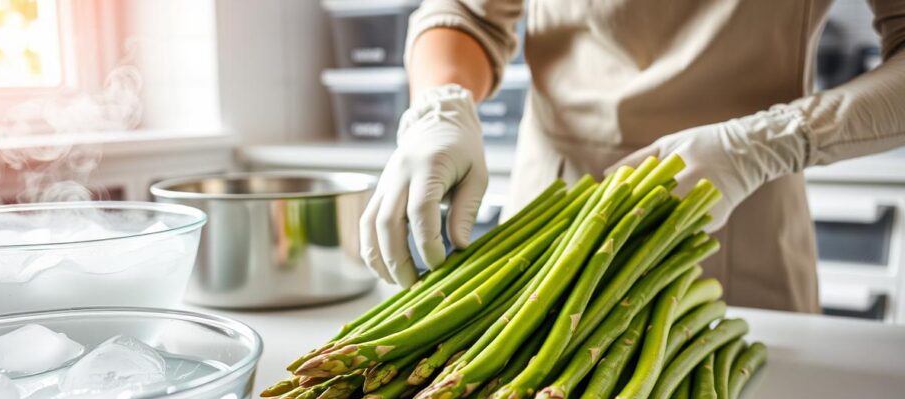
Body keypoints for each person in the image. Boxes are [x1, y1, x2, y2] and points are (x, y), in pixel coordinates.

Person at [358, 0, 905, 312]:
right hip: (550, 211)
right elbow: (467, 14)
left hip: (740, 212)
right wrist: (440, 105)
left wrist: (770, 141)